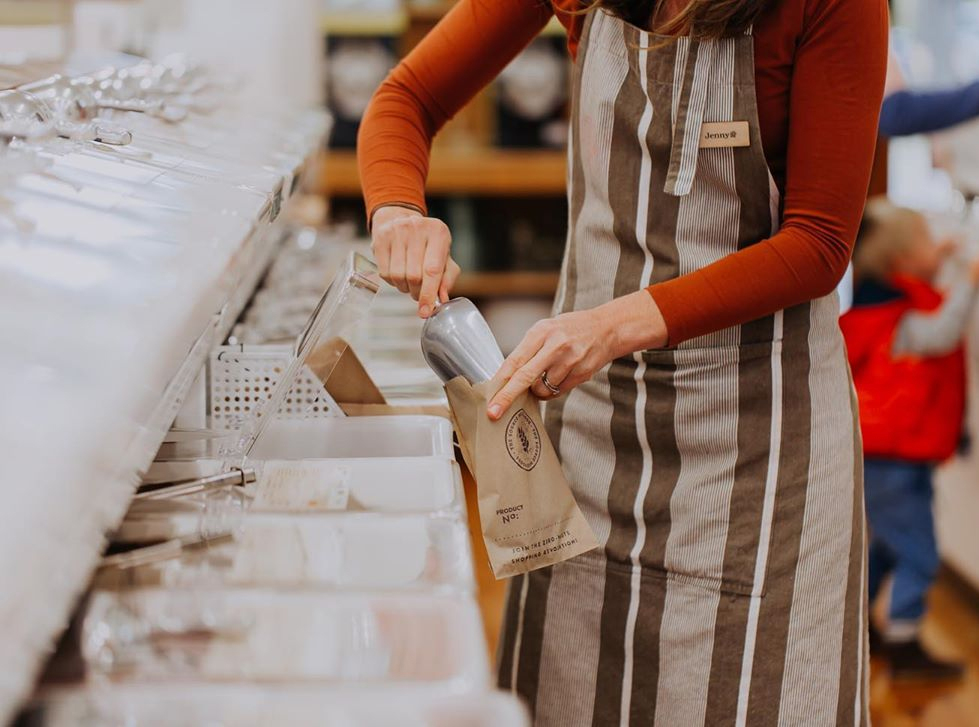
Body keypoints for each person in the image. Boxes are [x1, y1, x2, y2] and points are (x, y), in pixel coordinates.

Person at [358, 0, 887, 723]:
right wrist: (396, 209)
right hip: (591, 440)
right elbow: (405, 99)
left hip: (764, 452)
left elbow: (819, 243)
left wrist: (615, 324)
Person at [840, 198, 975, 682]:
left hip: (892, 459)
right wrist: (968, 285)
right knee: (919, 552)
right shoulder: (896, 321)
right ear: (901, 262)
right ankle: (905, 643)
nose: (934, 246)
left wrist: (945, 258)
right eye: (924, 241)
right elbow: (939, 331)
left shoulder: (884, 306)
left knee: (887, 546)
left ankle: (866, 627)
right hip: (893, 461)